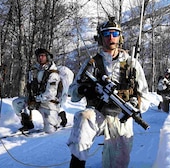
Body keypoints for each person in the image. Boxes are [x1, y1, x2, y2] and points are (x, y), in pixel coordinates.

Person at [67, 17, 150, 168]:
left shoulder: (132, 64)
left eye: (114, 33)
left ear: (120, 37)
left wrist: (134, 104)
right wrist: (85, 89)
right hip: (98, 112)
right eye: (106, 34)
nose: (111, 38)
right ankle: (77, 163)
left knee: (118, 162)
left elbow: (144, 97)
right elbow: (72, 92)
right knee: (83, 119)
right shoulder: (92, 64)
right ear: (100, 37)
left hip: (120, 116)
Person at [12, 48, 67, 133]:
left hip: (48, 103)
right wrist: (30, 96)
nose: (40, 58)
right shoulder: (34, 70)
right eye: (39, 56)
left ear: (47, 57)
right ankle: (27, 123)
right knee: (17, 103)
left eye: (42, 56)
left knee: (50, 130)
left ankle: (60, 118)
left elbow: (50, 94)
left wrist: (35, 99)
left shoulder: (53, 74)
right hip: (35, 100)